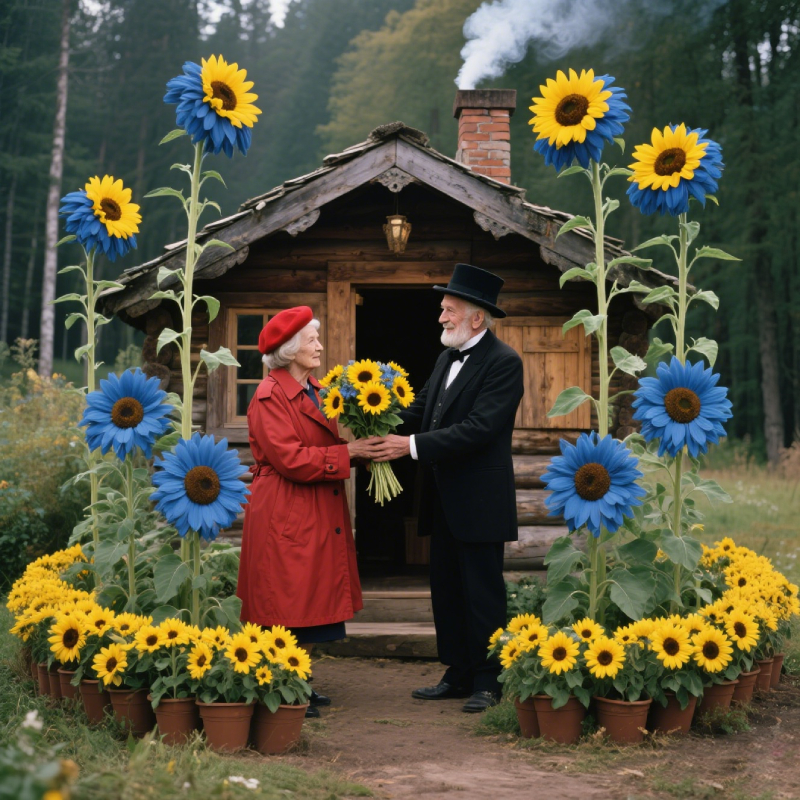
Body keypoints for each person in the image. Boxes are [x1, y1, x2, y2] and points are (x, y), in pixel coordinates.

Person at [371, 264, 524, 712]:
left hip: (480, 501)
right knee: (447, 589)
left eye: (449, 310)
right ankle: (457, 673)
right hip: (442, 499)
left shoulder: (505, 362)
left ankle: (488, 681)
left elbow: (479, 429)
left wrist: (409, 446)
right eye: (442, 309)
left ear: (477, 318)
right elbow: (420, 409)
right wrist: (372, 414)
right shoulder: (444, 357)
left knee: (482, 594)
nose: (441, 317)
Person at [236, 306, 381, 718]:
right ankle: (280, 686)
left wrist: (365, 451)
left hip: (314, 507)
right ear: (289, 349)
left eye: (317, 338)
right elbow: (291, 459)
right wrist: (348, 453)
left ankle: (297, 680)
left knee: (310, 598)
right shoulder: (268, 396)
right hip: (286, 507)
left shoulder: (317, 390)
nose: (319, 345)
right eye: (311, 340)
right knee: (284, 600)